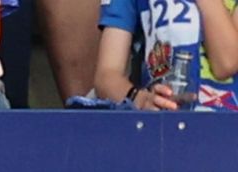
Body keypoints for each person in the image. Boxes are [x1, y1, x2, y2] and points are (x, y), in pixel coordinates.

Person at [95, 0, 238, 110]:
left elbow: (227, 63)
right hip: (163, 123)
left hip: (226, 124)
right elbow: (106, 76)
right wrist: (139, 99)